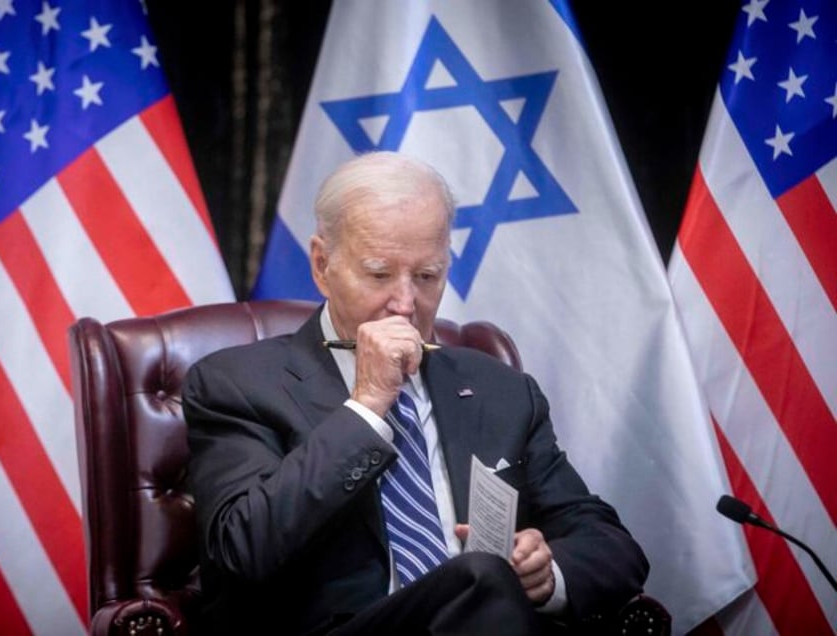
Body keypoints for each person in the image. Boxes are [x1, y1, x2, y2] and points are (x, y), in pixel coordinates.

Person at [182, 151, 649, 635]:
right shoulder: (237, 383)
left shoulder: (500, 389)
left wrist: (545, 575)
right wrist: (366, 408)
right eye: (380, 274)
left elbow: (611, 546)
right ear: (322, 265)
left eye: (427, 276)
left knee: (484, 582)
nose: (405, 303)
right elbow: (240, 552)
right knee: (479, 577)